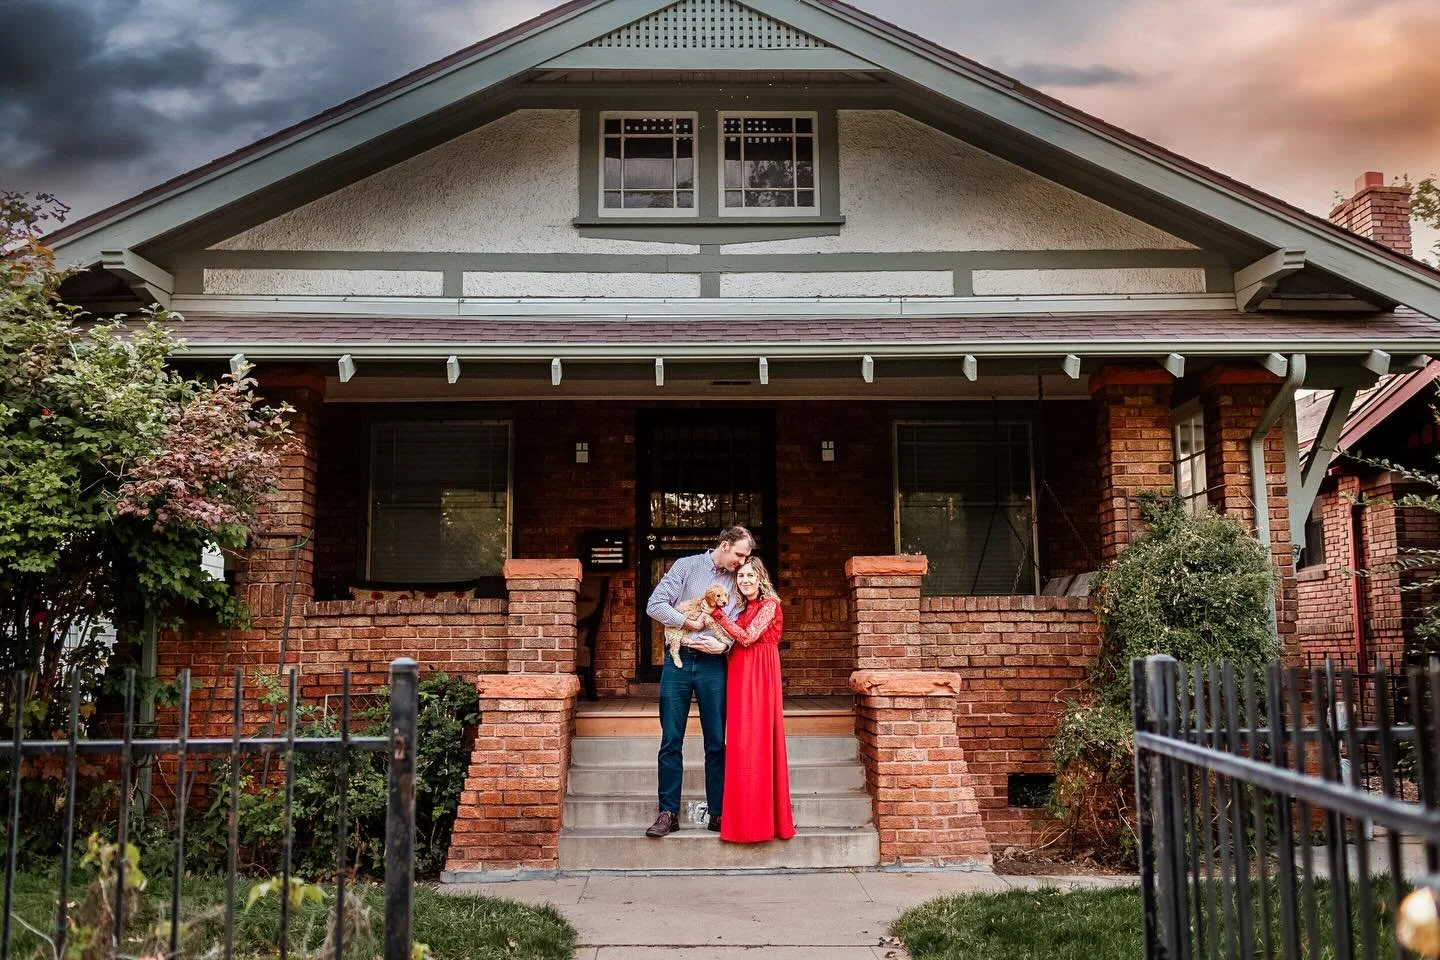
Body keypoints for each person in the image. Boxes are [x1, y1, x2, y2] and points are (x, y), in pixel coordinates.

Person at [642, 525, 753, 838]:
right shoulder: (686, 566)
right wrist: (688, 622)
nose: (742, 562)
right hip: (678, 660)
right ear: (724, 544)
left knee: (716, 741)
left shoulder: (738, 579)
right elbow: (655, 605)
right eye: (739, 554)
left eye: (746, 557)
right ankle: (668, 813)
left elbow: (741, 623)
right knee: (671, 738)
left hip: (714, 665)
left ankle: (718, 813)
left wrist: (725, 646)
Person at [707, 556, 795, 844]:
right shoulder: (743, 607)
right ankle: (741, 820)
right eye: (741, 576)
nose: (745, 580)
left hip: (759, 675)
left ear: (760, 578)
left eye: (750, 575)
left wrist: (717, 615)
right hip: (739, 673)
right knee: (740, 742)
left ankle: (758, 823)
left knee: (755, 742)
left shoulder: (770, 605)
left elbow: (747, 637)